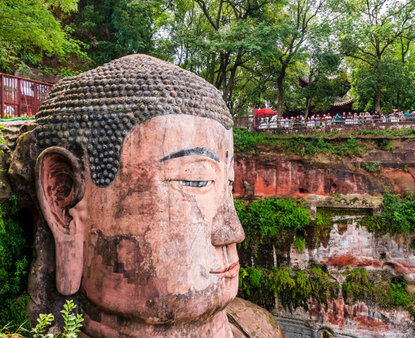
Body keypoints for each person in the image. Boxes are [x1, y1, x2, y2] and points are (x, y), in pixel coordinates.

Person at [20, 55, 282, 337]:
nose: (233, 231)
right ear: (63, 199)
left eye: (228, 184)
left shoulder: (260, 328)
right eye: (196, 180)